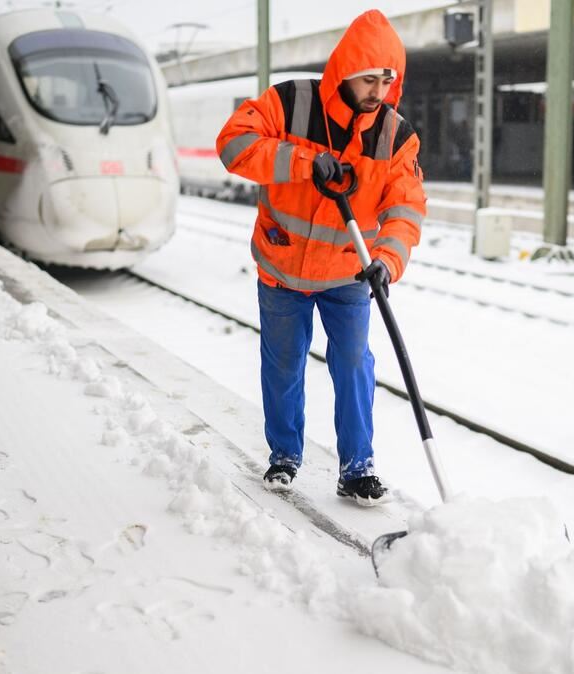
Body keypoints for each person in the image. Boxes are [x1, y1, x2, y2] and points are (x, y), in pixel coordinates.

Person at [216, 9, 426, 505]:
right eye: (368, 78)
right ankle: (284, 455)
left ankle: (357, 466)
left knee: (353, 364)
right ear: (345, 72)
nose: (377, 90)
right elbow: (234, 144)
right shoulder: (290, 103)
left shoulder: (396, 136)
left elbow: (406, 207)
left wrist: (387, 262)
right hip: (283, 267)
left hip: (350, 273)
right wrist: (304, 161)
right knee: (284, 364)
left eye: (385, 79)